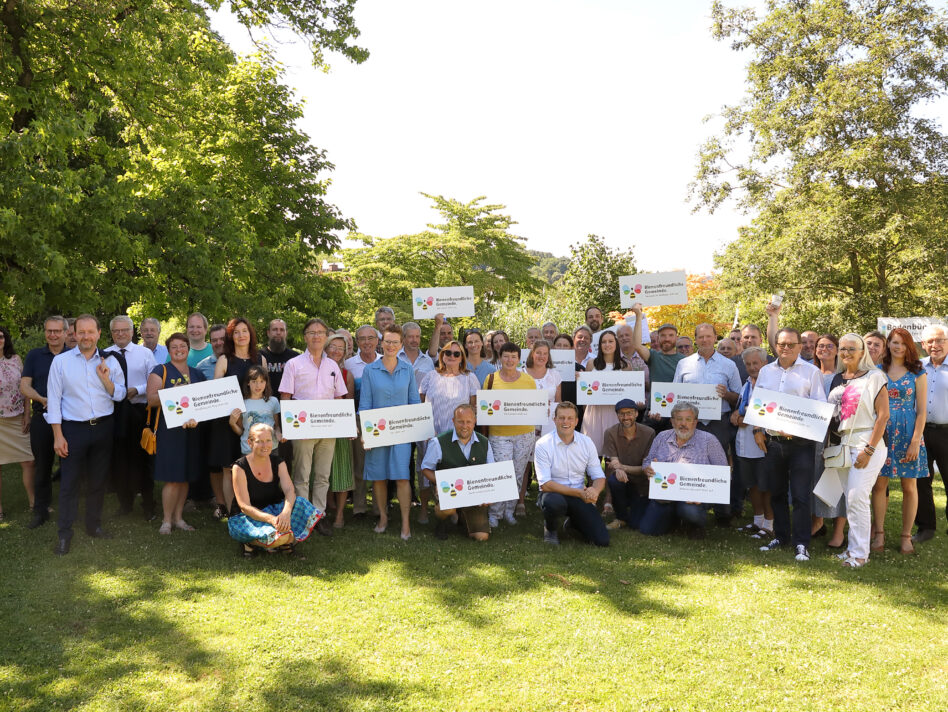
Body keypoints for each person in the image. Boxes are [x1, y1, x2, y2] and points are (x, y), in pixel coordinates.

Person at [46, 314, 126, 555]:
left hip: (103, 427)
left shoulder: (110, 361)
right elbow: (53, 401)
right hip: (73, 430)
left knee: (98, 480)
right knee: (69, 483)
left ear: (99, 334)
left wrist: (106, 380)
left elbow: (120, 395)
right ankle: (65, 533)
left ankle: (93, 525)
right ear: (74, 334)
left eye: (90, 332)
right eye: (81, 332)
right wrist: (58, 436)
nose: (86, 336)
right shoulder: (61, 362)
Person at [754, 328, 827, 562]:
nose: (785, 348)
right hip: (772, 442)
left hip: (801, 443)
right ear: (775, 345)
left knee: (800, 495)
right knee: (776, 493)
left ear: (799, 347)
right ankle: (782, 536)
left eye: (790, 344)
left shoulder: (811, 372)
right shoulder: (766, 371)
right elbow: (758, 403)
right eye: (781, 344)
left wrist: (797, 427)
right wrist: (757, 429)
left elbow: (819, 407)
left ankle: (802, 543)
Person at [824, 333, 889, 567]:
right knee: (849, 499)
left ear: (862, 352)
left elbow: (883, 416)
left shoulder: (875, 376)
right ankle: (852, 550)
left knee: (857, 497)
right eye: (842, 348)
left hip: (866, 441)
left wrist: (869, 449)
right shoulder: (837, 379)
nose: (846, 353)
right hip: (842, 444)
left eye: (852, 348)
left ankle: (860, 555)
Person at [278, 318, 345, 537]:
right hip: (302, 428)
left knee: (323, 476)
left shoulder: (333, 366)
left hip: (328, 429)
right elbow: (286, 397)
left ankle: (318, 516)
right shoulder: (294, 364)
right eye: (311, 332)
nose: (316, 336)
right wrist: (286, 428)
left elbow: (340, 398)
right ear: (305, 336)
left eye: (320, 333)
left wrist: (346, 425)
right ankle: (302, 517)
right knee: (302, 475)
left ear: (326, 337)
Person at [672, 322, 741, 525]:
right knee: (690, 463)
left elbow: (738, 396)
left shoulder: (729, 365)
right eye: (700, 337)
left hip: (719, 421)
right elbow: (675, 394)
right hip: (690, 422)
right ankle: (695, 508)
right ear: (696, 339)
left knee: (718, 466)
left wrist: (726, 394)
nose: (704, 340)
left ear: (715, 338)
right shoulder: (684, 364)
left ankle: (722, 512)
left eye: (708, 336)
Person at [360, 325, 420, 539]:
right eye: (387, 341)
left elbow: (414, 400)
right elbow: (365, 403)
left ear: (401, 344)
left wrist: (416, 427)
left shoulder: (408, 369)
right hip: (377, 431)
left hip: (402, 432)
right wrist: (365, 433)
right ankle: (383, 517)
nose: (391, 345)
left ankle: (405, 523)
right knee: (379, 477)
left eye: (395, 342)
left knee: (402, 476)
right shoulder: (370, 370)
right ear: (381, 343)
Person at [871, 327, 927, 555]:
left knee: (909, 485)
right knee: (880, 485)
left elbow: (922, 411)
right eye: (894, 342)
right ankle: (879, 535)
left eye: (903, 343)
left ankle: (906, 537)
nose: (898, 347)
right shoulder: (876, 371)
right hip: (883, 432)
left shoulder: (917, 372)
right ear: (888, 344)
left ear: (909, 346)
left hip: (908, 433)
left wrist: (915, 441)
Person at [228, 422, 321, 556]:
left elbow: (290, 490)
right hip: (247, 517)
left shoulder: (278, 462)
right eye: (260, 441)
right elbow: (244, 507)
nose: (265, 446)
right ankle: (251, 542)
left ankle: (280, 539)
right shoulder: (239, 467)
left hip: (274, 510)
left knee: (302, 503)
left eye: (268, 440)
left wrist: (285, 514)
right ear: (250, 443)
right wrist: (272, 520)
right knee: (284, 537)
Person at [641, 401, 728, 538]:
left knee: (689, 511)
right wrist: (648, 468)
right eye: (679, 419)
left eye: (688, 419)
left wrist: (704, 495)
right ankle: (675, 520)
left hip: (694, 497)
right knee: (648, 529)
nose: (683, 424)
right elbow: (647, 460)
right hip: (665, 495)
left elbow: (723, 474)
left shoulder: (709, 440)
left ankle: (695, 525)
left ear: (695, 422)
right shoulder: (661, 437)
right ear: (672, 421)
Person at [145, 333, 205, 534]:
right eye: (174, 347)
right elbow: (151, 400)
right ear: (168, 351)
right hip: (169, 432)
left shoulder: (197, 374)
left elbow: (204, 403)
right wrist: (175, 394)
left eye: (183, 346)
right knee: (172, 477)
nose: (179, 350)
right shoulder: (160, 370)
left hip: (192, 432)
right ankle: (166, 521)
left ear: (188, 349)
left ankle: (179, 518)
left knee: (185, 476)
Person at [211, 318, 267, 515]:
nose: (241, 335)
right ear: (231, 336)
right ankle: (232, 513)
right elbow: (216, 394)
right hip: (228, 423)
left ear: (250, 334)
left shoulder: (260, 359)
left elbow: (266, 391)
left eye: (245, 331)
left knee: (251, 466)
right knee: (229, 468)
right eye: (236, 332)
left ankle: (252, 511)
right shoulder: (224, 360)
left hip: (253, 423)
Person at [419, 340, 480, 522]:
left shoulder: (470, 378)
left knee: (456, 471)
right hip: (431, 433)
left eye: (456, 353)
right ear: (442, 356)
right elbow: (420, 404)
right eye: (448, 353)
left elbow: (474, 408)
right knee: (425, 471)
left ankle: (454, 510)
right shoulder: (430, 376)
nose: (451, 357)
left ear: (462, 357)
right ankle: (424, 509)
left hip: (458, 436)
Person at [534, 402, 609, 547]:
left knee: (602, 540)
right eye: (561, 418)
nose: (565, 422)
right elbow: (546, 484)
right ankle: (550, 529)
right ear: (554, 420)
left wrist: (595, 490)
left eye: (570, 418)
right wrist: (580, 493)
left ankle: (573, 524)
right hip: (554, 493)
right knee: (552, 503)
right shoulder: (543, 444)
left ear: (576, 421)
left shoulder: (586, 442)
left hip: (579, 496)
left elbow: (599, 476)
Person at [105, 315, 158, 520]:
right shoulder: (105, 355)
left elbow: (154, 381)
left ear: (132, 331)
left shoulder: (144, 354)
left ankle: (148, 504)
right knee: (119, 459)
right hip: (115, 412)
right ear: (111, 333)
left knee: (143, 459)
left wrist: (138, 389)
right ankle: (124, 503)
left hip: (140, 411)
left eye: (124, 330)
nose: (120, 334)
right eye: (116, 331)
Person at [20, 315, 68, 529]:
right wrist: (41, 399)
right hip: (42, 417)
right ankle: (40, 511)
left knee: (69, 466)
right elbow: (24, 386)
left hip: (69, 419)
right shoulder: (34, 356)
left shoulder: (74, 356)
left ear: (66, 333)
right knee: (42, 466)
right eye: (49, 331)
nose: (53, 335)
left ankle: (69, 510)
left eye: (57, 331)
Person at [420, 403, 495, 541]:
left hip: (474, 493)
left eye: (468, 422)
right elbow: (425, 468)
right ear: (453, 421)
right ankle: (442, 522)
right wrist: (439, 483)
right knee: (447, 508)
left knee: (481, 537)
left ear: (475, 422)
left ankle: (461, 517)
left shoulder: (485, 442)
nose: (464, 426)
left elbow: (491, 472)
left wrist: (488, 493)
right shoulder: (439, 442)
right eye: (460, 421)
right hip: (449, 490)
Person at [483, 341, 537, 527]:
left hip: (524, 434)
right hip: (499, 434)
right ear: (500, 358)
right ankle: (495, 513)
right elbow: (485, 407)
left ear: (519, 359)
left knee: (517, 473)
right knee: (500, 473)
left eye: (513, 357)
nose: (509, 360)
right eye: (506, 356)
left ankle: (509, 510)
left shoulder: (528, 381)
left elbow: (533, 407)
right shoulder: (491, 379)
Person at [731, 347, 774, 538]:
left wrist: (744, 417)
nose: (751, 367)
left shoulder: (771, 384)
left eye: (755, 363)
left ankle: (770, 525)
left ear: (764, 363)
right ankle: (758, 521)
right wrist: (736, 415)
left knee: (766, 485)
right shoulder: (747, 383)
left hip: (763, 442)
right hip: (745, 441)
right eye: (748, 364)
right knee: (752, 485)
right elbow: (742, 407)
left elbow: (766, 410)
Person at [521, 339, 563, 514]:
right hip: (526, 423)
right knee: (524, 463)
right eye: (538, 353)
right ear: (532, 353)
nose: (542, 356)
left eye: (545, 353)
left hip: (548, 424)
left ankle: (544, 498)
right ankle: (520, 500)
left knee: (546, 462)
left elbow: (559, 402)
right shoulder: (521, 373)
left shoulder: (554, 374)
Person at [915, 324, 948, 544]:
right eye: (930, 342)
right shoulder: (918, 367)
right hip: (922, 431)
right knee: (921, 480)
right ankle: (926, 527)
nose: (935, 345)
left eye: (940, 340)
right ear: (924, 345)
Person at [630, 304, 685, 433]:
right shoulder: (653, 356)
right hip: (654, 413)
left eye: (671, 335)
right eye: (663, 335)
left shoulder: (685, 360)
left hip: (676, 414)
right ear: (658, 338)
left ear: (676, 338)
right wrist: (638, 315)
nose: (667, 339)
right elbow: (637, 345)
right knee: (648, 449)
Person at [0, 326, 36, 521]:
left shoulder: (15, 360)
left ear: (6, 339)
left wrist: (27, 414)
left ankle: (34, 503)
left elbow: (24, 388)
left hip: (16, 418)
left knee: (29, 461)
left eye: (1, 337)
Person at [603, 399, 655, 531]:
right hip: (623, 480)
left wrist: (622, 467)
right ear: (617, 415)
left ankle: (632, 512)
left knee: (636, 524)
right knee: (614, 480)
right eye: (621, 414)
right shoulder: (610, 432)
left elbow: (646, 468)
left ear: (637, 414)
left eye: (629, 413)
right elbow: (613, 460)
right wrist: (617, 467)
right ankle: (620, 517)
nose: (626, 417)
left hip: (642, 485)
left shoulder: (649, 433)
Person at [345, 325, 380, 518]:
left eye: (370, 338)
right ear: (357, 342)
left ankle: (378, 507)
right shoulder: (350, 364)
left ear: (377, 341)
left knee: (378, 465)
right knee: (359, 465)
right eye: (362, 339)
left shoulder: (386, 361)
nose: (367, 342)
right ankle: (359, 506)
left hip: (381, 421)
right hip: (358, 419)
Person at [581, 331, 631, 458]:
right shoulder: (592, 364)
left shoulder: (625, 366)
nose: (607, 344)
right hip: (594, 413)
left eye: (610, 341)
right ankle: (593, 479)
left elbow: (630, 392)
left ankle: (609, 479)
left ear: (616, 344)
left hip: (615, 414)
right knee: (591, 456)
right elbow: (585, 391)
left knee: (613, 455)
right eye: (603, 342)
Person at [326, 333, 355, 528]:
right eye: (333, 347)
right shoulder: (315, 370)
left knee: (342, 471)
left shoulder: (347, 374)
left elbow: (349, 404)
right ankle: (326, 509)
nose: (336, 351)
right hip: (319, 426)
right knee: (321, 472)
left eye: (341, 348)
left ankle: (339, 515)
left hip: (341, 427)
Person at [231, 365, 282, 456]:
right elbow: (241, 431)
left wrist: (278, 433)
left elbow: (276, 426)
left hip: (271, 449)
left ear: (266, 383)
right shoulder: (241, 403)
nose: (258, 385)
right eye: (254, 381)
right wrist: (232, 423)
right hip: (249, 450)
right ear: (248, 383)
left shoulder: (273, 401)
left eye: (262, 381)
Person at [260, 318, 299, 400]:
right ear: (268, 333)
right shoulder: (259, 356)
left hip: (290, 407)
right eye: (274, 329)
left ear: (286, 333)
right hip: (265, 405)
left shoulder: (295, 357)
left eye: (282, 330)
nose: (278, 333)